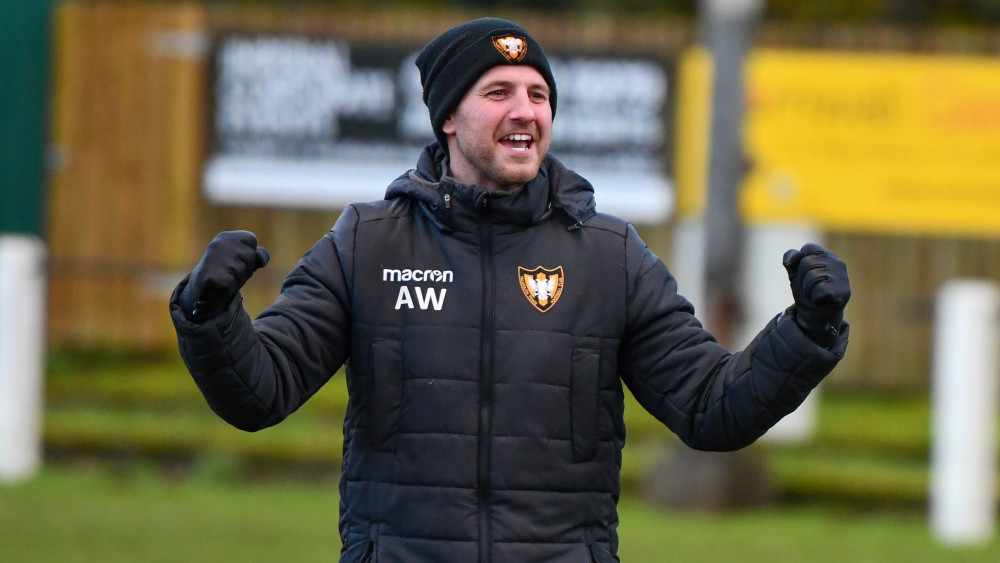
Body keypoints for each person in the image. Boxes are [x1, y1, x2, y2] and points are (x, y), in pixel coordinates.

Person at [169, 17, 850, 563]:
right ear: (446, 118)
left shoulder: (609, 255)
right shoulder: (369, 244)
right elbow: (261, 393)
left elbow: (711, 408)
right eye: (498, 93)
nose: (526, 110)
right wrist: (210, 313)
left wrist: (806, 331)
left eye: (539, 95)